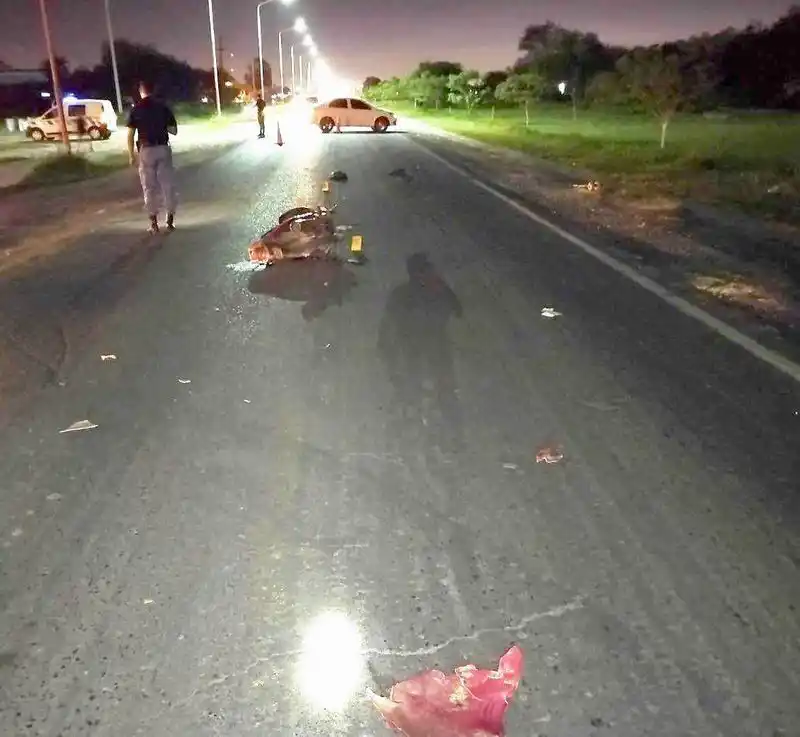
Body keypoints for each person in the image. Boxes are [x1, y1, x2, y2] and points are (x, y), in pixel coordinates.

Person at [127, 80, 178, 234]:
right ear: (153, 90)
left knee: (149, 187)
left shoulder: (136, 109)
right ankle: (170, 221)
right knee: (167, 184)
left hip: (146, 150)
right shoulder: (163, 107)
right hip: (163, 148)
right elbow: (174, 131)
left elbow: (130, 135)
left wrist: (131, 155)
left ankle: (154, 224)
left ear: (141, 92)